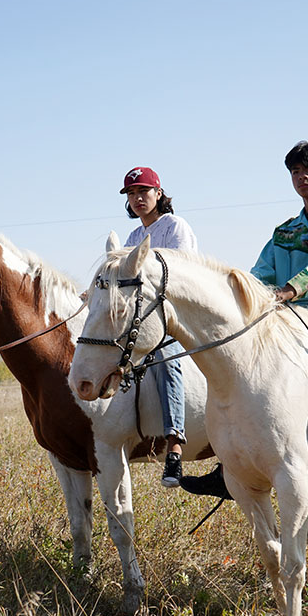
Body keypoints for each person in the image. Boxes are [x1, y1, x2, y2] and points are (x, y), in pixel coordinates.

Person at [181, 138, 308, 507]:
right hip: (291, 312)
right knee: (238, 361)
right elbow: (260, 273)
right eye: (295, 171)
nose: (302, 178)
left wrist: (294, 287)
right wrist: (238, 297)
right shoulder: (285, 231)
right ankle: (228, 465)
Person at [119, 166, 198, 487]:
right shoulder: (134, 237)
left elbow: (182, 273)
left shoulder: (175, 226)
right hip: (140, 316)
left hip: (172, 315)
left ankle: (175, 444)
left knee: (167, 357)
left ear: (158, 193)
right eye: (132, 194)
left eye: (143, 192)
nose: (138, 199)